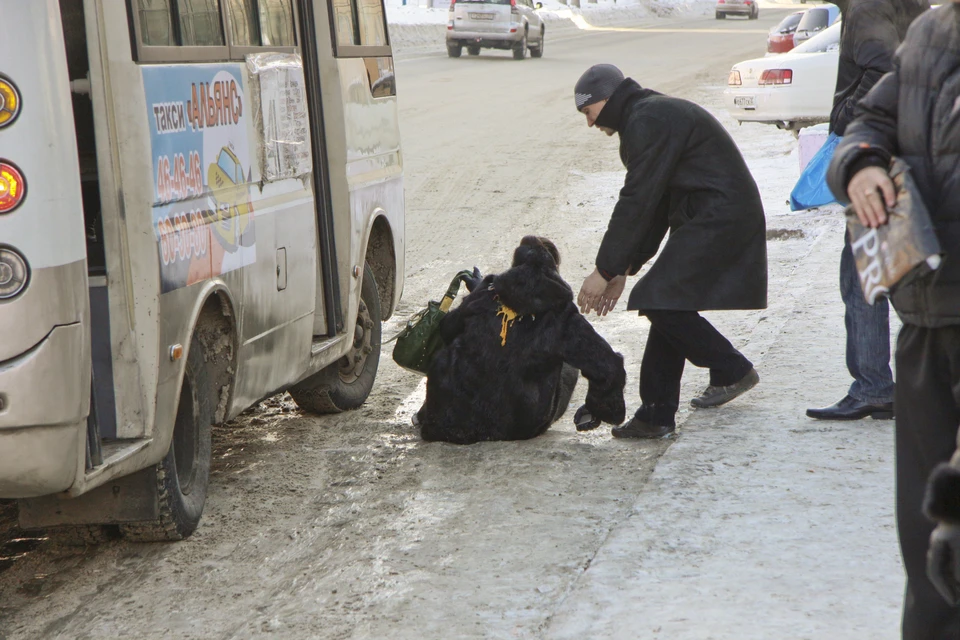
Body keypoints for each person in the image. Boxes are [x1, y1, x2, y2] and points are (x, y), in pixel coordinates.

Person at [826, 3, 959, 637]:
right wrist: (862, 164)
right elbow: (868, 121)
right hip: (929, 323)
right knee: (927, 539)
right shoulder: (934, 32)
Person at [574, 64, 767, 439]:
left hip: (720, 214)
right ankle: (656, 415)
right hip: (709, 212)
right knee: (666, 300)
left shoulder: (648, 120)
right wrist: (624, 268)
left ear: (604, 100)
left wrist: (603, 269)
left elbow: (637, 201)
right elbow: (657, 202)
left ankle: (731, 368)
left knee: (661, 299)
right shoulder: (645, 116)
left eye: (588, 112)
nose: (589, 123)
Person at [806, 0, 928, 421]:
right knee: (894, 269)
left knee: (862, 275)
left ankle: (874, 386)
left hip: (880, 154)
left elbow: (883, 71)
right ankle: (879, 383)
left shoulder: (866, 7)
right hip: (910, 150)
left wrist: (846, 119)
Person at [416, 235, 626, 445]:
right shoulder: (560, 313)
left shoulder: (488, 293)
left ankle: (429, 410)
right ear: (553, 270)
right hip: (515, 425)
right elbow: (608, 367)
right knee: (568, 359)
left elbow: (447, 329)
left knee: (464, 351)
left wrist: (478, 296)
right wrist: (598, 408)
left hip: (453, 422)